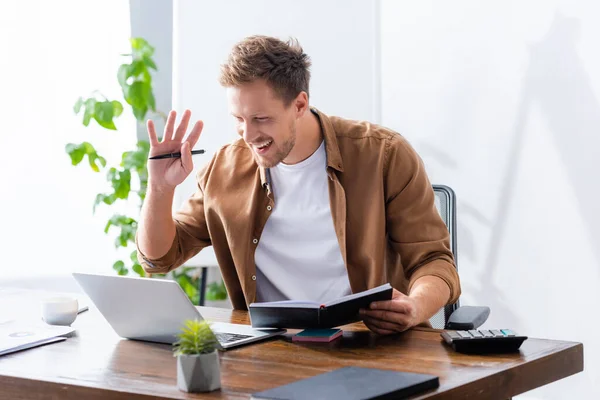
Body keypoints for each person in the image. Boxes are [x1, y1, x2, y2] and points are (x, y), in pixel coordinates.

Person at [135, 35, 461, 335]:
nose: (248, 136)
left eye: (261, 119)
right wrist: (161, 189)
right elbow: (159, 258)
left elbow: (433, 261)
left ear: (300, 104)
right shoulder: (223, 170)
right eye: (238, 119)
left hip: (369, 343)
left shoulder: (383, 154)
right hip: (271, 350)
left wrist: (415, 306)